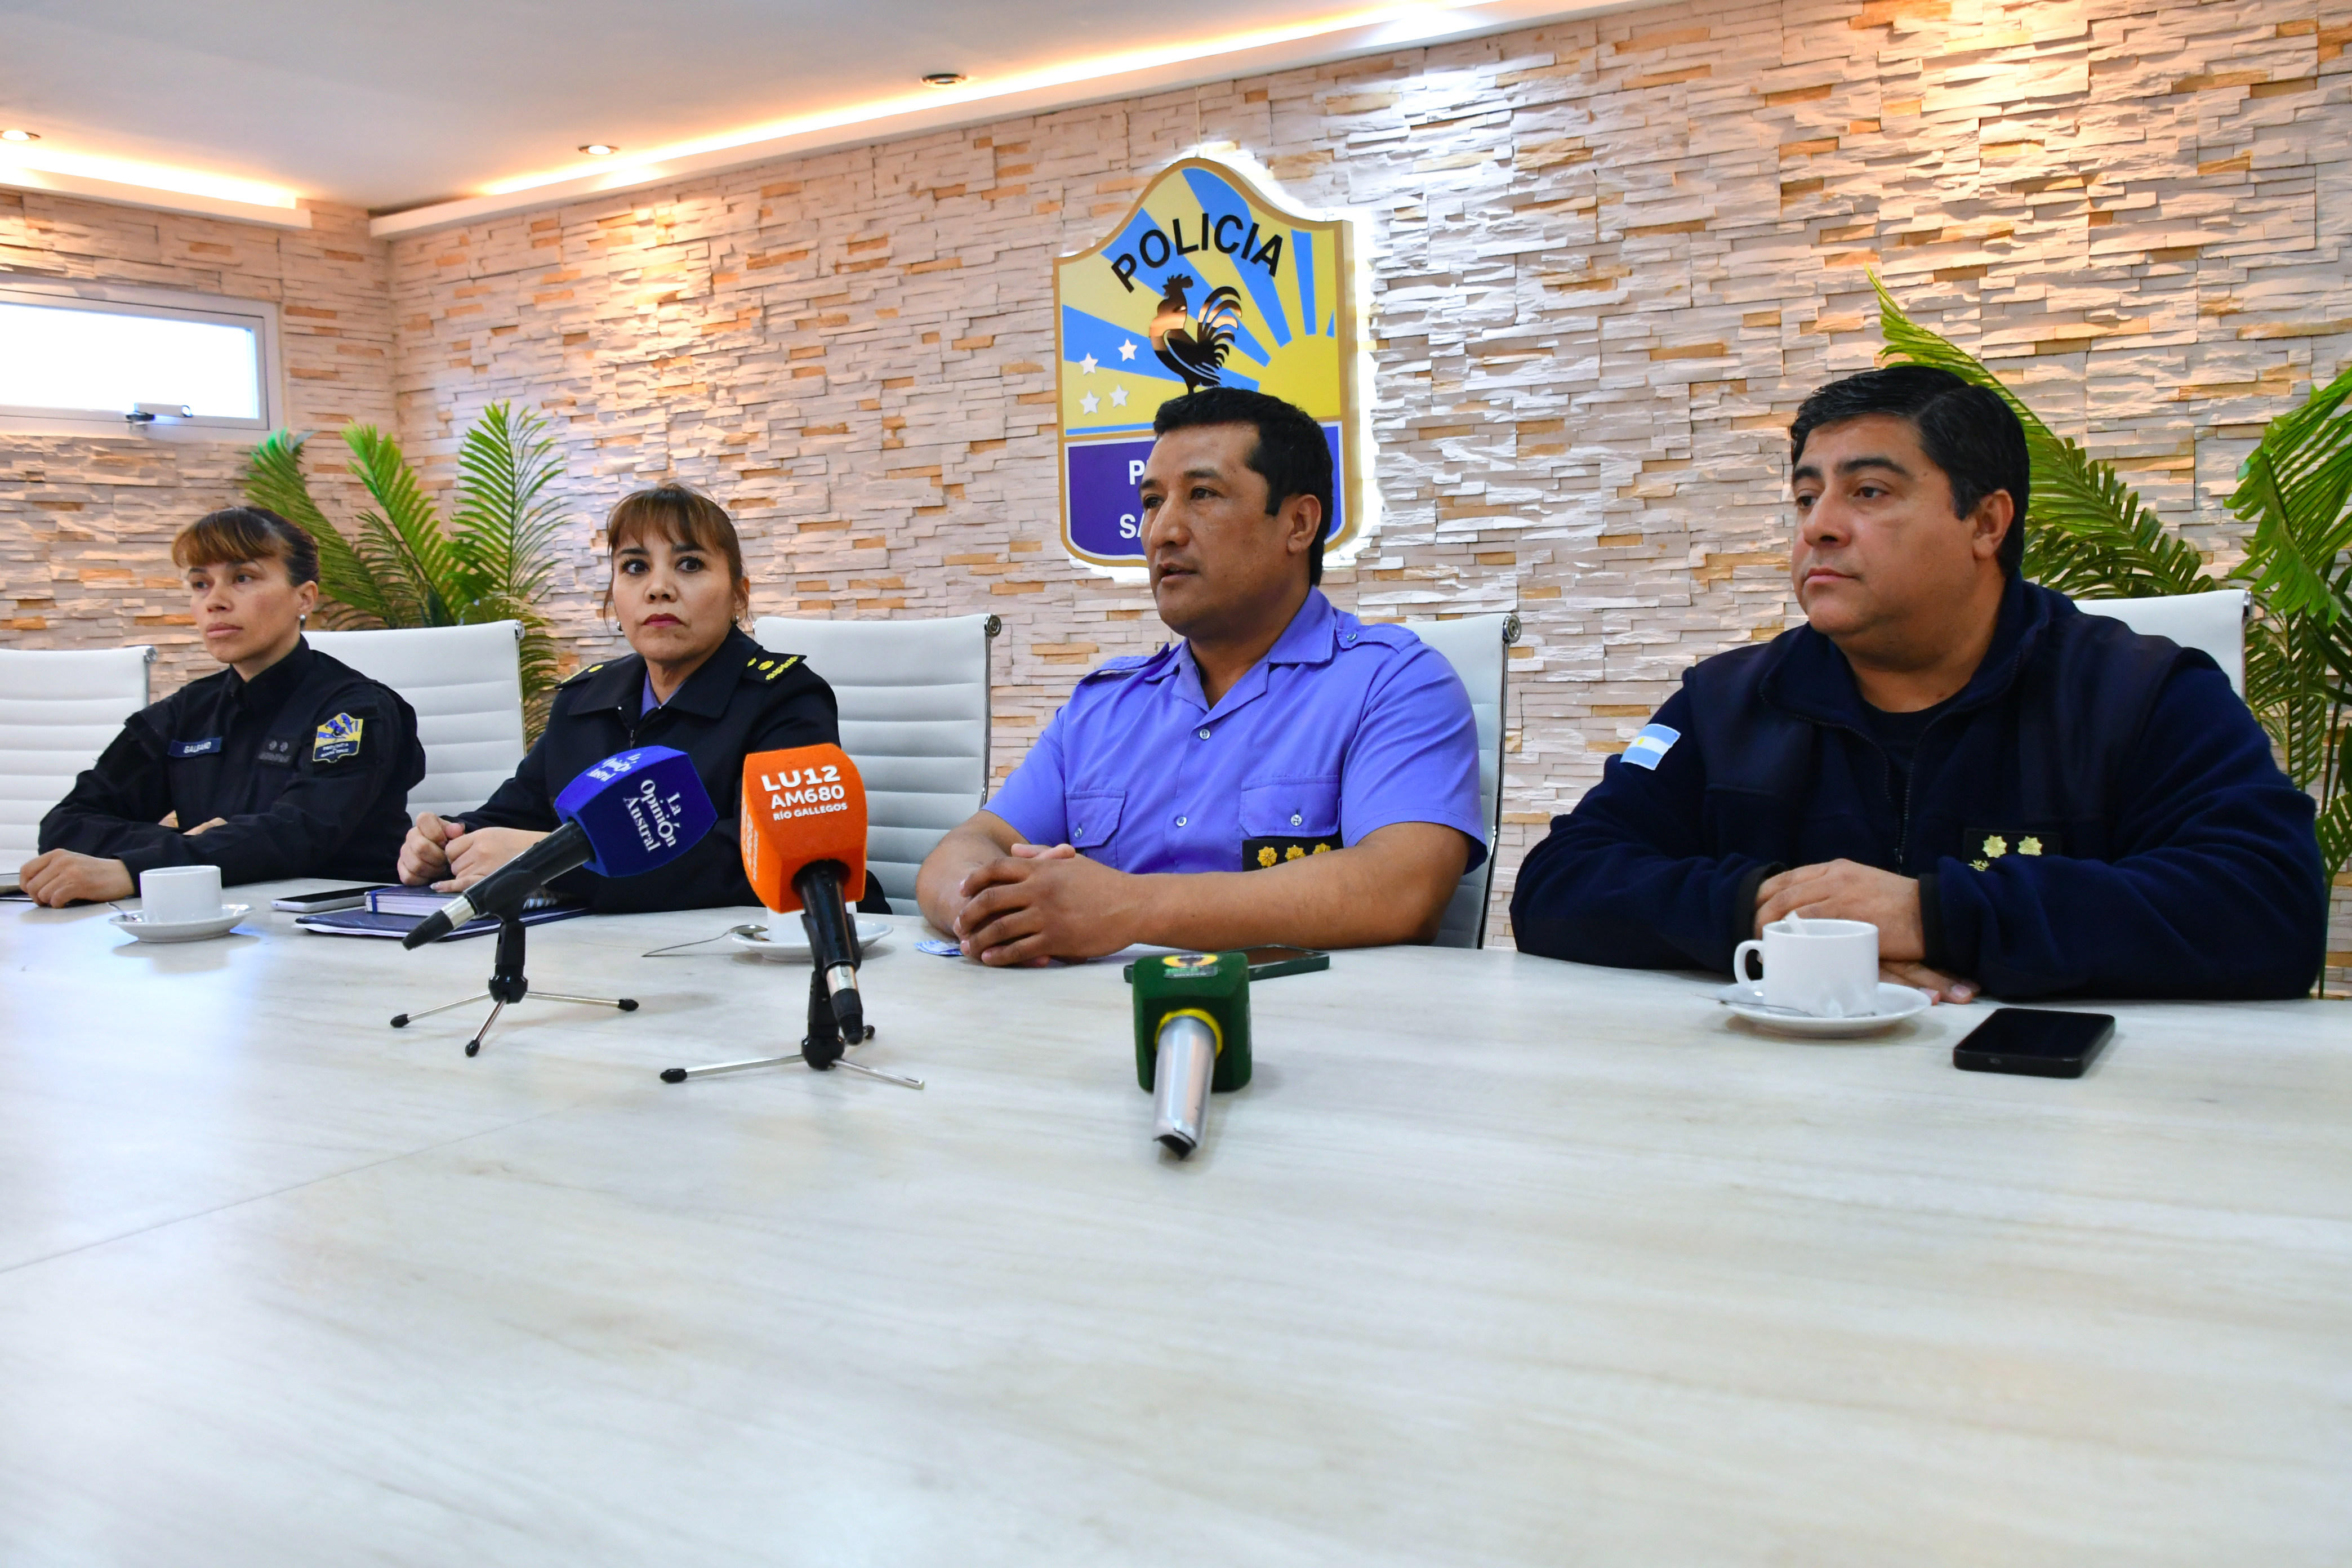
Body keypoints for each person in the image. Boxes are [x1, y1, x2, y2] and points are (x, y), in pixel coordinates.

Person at [1509, 364, 2327, 1002]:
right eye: (1806, 496)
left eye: (1869, 492)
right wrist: (1776, 915)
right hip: (1779, 1112)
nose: (1818, 526)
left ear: (1986, 522)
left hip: (2060, 1132)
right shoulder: (1727, 702)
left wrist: (1931, 918)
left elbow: (2270, 907)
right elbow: (1560, 881)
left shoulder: (2140, 692)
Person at [916, 387, 1487, 964]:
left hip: (1309, 1036)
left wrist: (1127, 908)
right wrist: (989, 912)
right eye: (1152, 502)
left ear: (1298, 523)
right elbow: (964, 849)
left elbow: (1403, 890)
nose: (1163, 531)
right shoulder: (1103, 707)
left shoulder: (1394, 682)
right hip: (1084, 1032)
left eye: (1203, 495)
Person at [397, 483, 861, 913]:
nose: (658, 588)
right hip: (607, 952)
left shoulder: (786, 696)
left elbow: (758, 859)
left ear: (740, 596)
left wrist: (547, 862)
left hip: (756, 961)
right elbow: (514, 813)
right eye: (635, 567)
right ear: (613, 598)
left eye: (690, 564)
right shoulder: (586, 700)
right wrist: (447, 842)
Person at [23, 506, 425, 906]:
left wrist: (136, 869)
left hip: (341, 923)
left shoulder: (354, 710)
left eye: (243, 578)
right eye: (200, 584)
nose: (215, 601)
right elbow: (65, 824)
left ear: (304, 598)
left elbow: (300, 833)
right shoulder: (186, 711)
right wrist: (181, 845)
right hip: (216, 917)